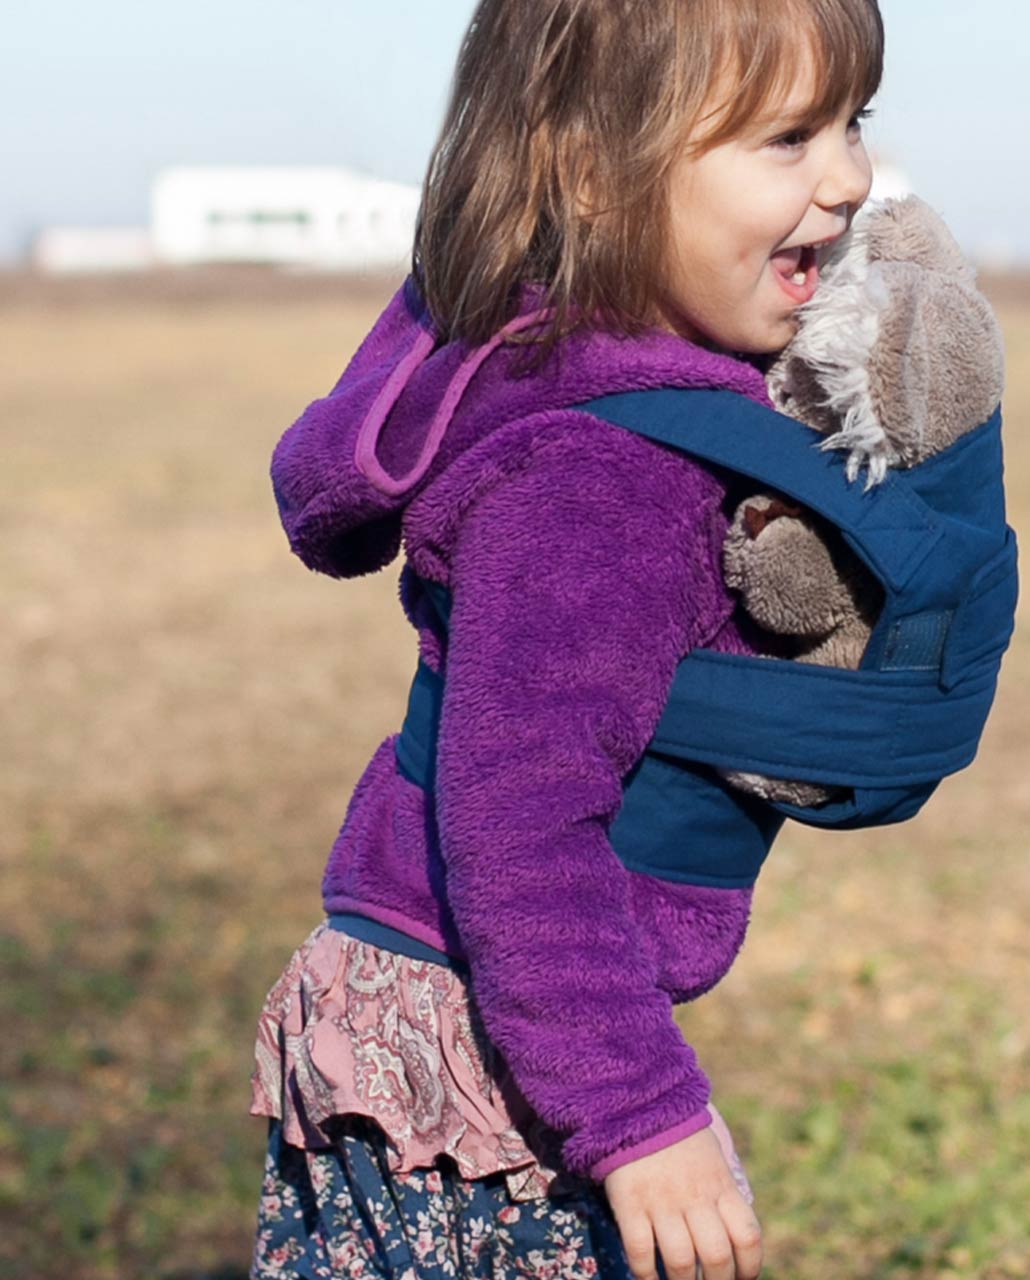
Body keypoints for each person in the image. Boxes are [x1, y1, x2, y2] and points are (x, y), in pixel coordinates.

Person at [248, 0, 883, 1276]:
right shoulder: (602, 471)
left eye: (853, 122)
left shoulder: (588, 383)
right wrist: (640, 1118)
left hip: (441, 1003)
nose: (850, 176)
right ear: (594, 175)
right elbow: (521, 821)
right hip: (482, 1047)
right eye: (786, 136)